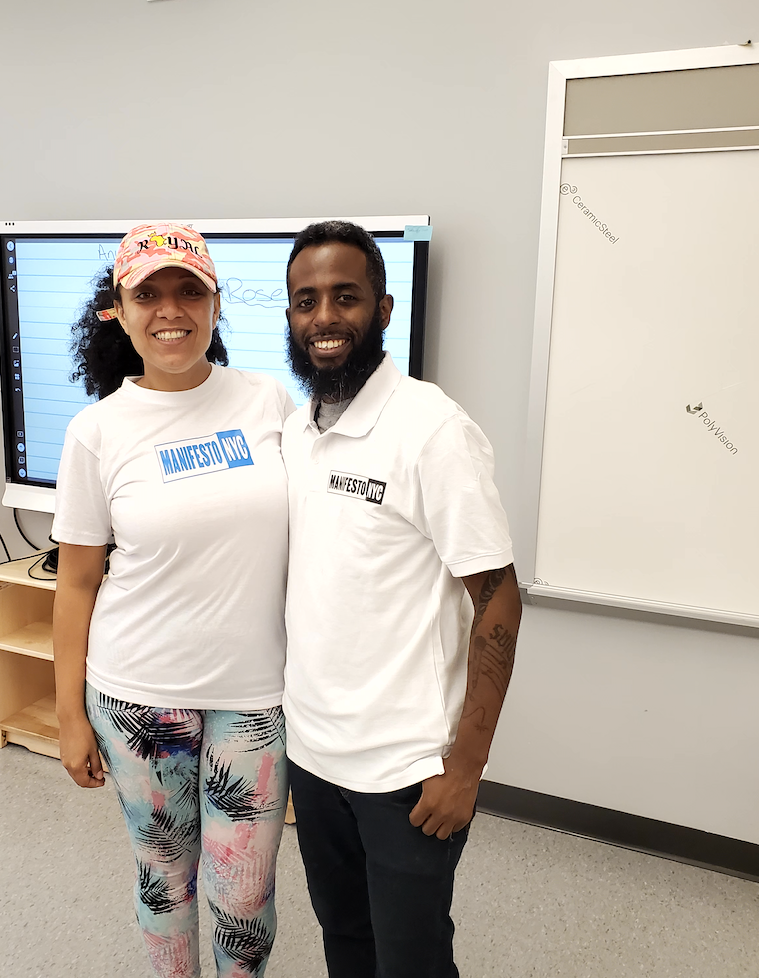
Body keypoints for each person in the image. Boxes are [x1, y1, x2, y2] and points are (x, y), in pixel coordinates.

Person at [51, 223, 295, 978]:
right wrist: (67, 716)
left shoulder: (268, 401)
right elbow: (77, 582)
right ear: (117, 313)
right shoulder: (97, 431)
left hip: (255, 694)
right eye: (147, 293)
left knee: (244, 895)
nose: (170, 310)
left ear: (216, 305)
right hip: (136, 697)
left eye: (190, 290)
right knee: (166, 883)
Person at [280, 221, 523, 978]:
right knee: (346, 939)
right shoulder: (297, 430)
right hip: (313, 759)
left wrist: (466, 768)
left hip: (406, 776)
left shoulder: (432, 431)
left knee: (412, 962)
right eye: (305, 300)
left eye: (344, 297)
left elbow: (500, 601)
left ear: (384, 310)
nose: (324, 317)